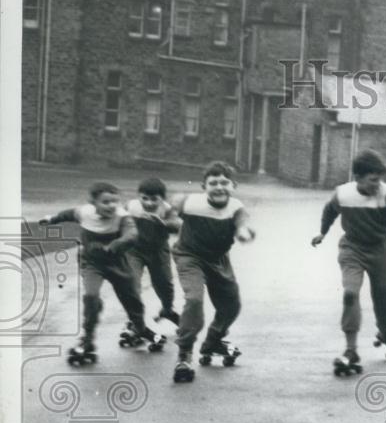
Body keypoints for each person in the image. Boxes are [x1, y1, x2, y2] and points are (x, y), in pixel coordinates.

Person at [311, 150, 386, 376]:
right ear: (358, 178)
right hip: (352, 247)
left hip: (380, 249)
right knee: (350, 293)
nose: (378, 184)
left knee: (385, 295)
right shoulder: (342, 194)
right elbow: (329, 211)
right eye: (373, 180)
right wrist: (322, 232)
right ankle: (351, 350)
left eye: (380, 179)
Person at [40, 182, 158, 365]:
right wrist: (52, 219)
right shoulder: (84, 212)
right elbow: (69, 214)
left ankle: (141, 328)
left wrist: (114, 246)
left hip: (117, 262)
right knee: (91, 296)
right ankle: (87, 339)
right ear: (93, 202)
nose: (111, 206)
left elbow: (131, 234)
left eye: (115, 202)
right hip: (91, 263)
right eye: (106, 202)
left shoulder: (122, 217)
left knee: (132, 298)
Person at [170, 161, 255, 382]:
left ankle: (212, 342)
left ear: (233, 185)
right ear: (203, 186)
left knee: (231, 306)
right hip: (189, 257)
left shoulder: (236, 207)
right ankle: (184, 355)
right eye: (213, 183)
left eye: (224, 182)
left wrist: (244, 231)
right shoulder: (191, 204)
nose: (219, 187)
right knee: (194, 300)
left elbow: (242, 222)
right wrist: (168, 216)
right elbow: (170, 210)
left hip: (218, 260)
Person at [125, 177, 182, 326]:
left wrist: (163, 223)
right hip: (134, 251)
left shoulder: (167, 209)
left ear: (162, 199)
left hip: (158, 251)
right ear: (139, 196)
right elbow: (117, 221)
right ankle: (134, 318)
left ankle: (168, 310)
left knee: (164, 283)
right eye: (145, 198)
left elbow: (177, 225)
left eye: (154, 199)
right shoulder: (132, 206)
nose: (149, 203)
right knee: (132, 283)